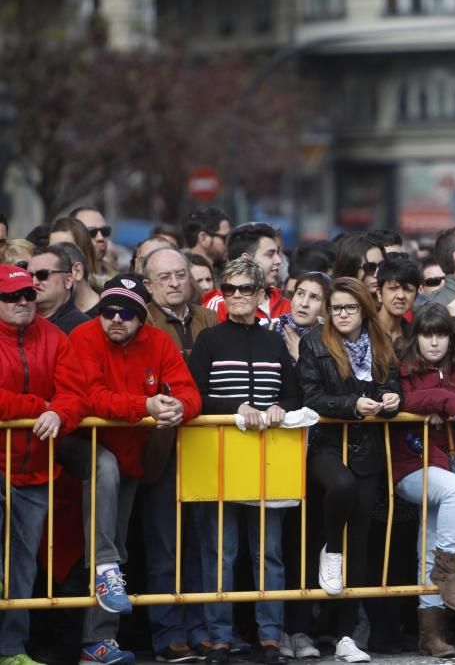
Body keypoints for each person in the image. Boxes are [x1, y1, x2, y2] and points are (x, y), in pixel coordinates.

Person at [67, 275, 202, 665]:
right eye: (108, 310)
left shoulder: (159, 342)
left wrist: (180, 408)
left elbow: (188, 390)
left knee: (115, 545)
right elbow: (89, 397)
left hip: (129, 459)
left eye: (126, 313)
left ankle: (98, 642)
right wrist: (144, 406)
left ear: (143, 318)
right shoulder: (83, 337)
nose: (115, 319)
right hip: (77, 448)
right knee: (102, 553)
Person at [188, 257, 303, 665]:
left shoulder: (275, 342)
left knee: (268, 553)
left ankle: (269, 638)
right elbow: (194, 395)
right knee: (220, 552)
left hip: (267, 461)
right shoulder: (208, 341)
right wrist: (236, 407)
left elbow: (293, 395)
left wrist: (277, 408)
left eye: (245, 289)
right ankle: (218, 638)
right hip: (218, 458)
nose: (237, 296)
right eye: (230, 289)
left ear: (260, 295)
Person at [297, 276, 402, 664]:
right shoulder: (314, 343)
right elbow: (312, 395)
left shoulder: (382, 344)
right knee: (338, 487)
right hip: (326, 442)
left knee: (361, 538)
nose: (341, 314)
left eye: (349, 307)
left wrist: (391, 400)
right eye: (336, 307)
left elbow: (395, 387)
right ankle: (330, 548)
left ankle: (346, 635)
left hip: (368, 449)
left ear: (363, 310)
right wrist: (352, 405)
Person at [0, 264, 88, 665]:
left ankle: (11, 649)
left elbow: (74, 392)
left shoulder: (54, 337)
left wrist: (62, 413)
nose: (22, 302)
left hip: (36, 470)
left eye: (28, 295)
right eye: (11, 297)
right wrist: (42, 409)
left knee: (20, 567)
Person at [391, 303, 455, 658]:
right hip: (409, 466)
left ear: (450, 337)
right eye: (427, 334)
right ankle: (449, 571)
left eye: (441, 334)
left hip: (443, 465)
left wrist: (452, 401)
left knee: (428, 543)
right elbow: (402, 399)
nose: (434, 342)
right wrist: (444, 399)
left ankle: (431, 635)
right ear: (415, 337)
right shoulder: (404, 367)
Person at [139, 247, 218, 663]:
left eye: (180, 275)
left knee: (203, 542)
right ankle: (169, 632)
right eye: (164, 277)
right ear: (148, 285)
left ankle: (203, 628)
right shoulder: (142, 321)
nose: (174, 283)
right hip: (160, 447)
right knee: (164, 543)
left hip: (205, 445)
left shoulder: (209, 318)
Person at [203, 223, 290, 325]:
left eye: (277, 253)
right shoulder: (216, 308)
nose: (278, 260)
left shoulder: (287, 304)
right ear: (246, 260)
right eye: (270, 254)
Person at [271, 271, 330, 363]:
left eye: (314, 297)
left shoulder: (331, 342)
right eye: (300, 294)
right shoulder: (270, 330)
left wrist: (300, 357)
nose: (304, 303)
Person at [27, 245, 89, 333]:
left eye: (43, 275)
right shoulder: (20, 319)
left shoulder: (82, 327)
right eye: (30, 275)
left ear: (68, 281)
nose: (34, 282)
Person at [374, 256, 420, 343]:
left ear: (416, 296)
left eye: (408, 289)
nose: (401, 296)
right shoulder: (364, 331)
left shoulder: (414, 334)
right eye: (393, 288)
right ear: (379, 293)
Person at [70, 206, 117, 287]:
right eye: (91, 232)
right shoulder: (65, 282)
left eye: (104, 231)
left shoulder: (118, 281)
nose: (100, 238)